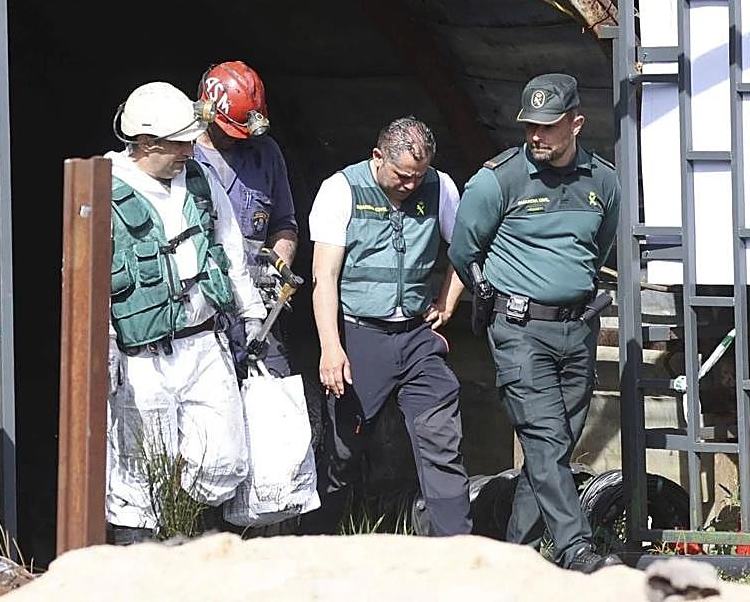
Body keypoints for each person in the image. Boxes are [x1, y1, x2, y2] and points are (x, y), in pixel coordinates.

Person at [448, 73, 621, 573]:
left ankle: (512, 559)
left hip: (578, 329)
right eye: (530, 126)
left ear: (576, 124)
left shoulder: (604, 181)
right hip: (521, 332)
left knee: (553, 453)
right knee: (545, 439)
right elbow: (464, 250)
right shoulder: (497, 180)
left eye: (548, 126)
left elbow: (599, 246)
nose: (536, 136)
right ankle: (577, 550)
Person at [105, 81, 267, 543]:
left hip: (203, 342)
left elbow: (230, 246)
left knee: (225, 459)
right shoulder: (103, 185)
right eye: (179, 143)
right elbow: (87, 277)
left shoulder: (199, 178)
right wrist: (107, 344)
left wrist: (249, 310)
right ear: (147, 142)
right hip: (142, 357)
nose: (189, 151)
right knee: (137, 476)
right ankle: (139, 562)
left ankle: (190, 534)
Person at [309, 116, 471, 536]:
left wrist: (447, 302)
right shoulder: (340, 189)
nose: (411, 185)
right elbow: (323, 277)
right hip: (359, 334)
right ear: (377, 157)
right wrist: (331, 347)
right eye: (402, 175)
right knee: (343, 450)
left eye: (418, 176)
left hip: (417, 335)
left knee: (441, 438)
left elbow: (467, 248)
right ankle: (317, 539)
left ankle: (457, 547)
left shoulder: (441, 188)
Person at [194, 60, 298, 377]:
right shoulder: (180, 156)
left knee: (276, 402)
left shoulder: (265, 153)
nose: (237, 138)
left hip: (257, 310)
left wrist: (277, 269)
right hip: (201, 315)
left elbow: (284, 223)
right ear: (206, 110)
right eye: (229, 131)